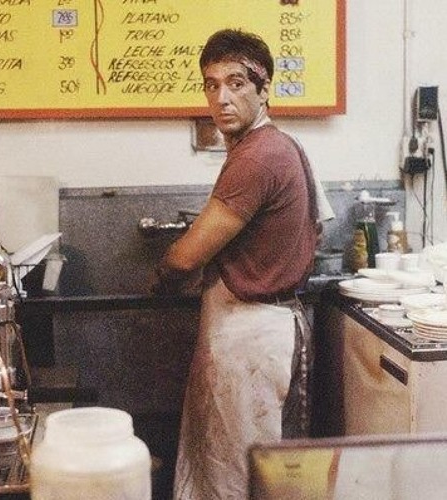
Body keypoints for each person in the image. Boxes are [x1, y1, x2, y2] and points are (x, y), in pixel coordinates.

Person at [153, 28, 333, 500]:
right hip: (258, 328)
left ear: (264, 88)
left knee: (237, 478)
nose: (222, 98)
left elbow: (186, 256)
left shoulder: (258, 157)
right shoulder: (282, 145)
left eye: (236, 83)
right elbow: (319, 225)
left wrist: (164, 273)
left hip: (253, 335)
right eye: (211, 85)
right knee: (235, 469)